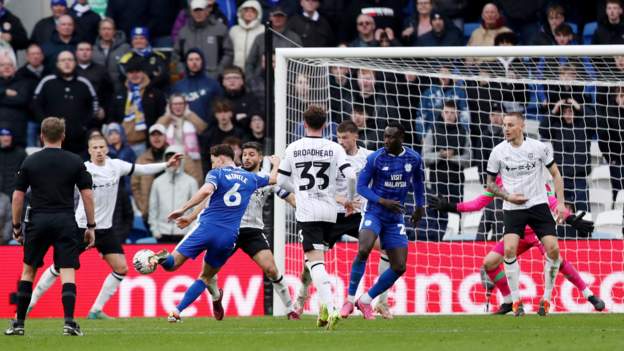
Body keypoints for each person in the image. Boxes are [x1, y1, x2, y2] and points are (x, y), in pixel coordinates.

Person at [26, 134, 182, 320]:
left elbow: (142, 169)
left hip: (105, 230)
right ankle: (30, 304)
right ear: (90, 150)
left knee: (121, 268)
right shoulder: (82, 168)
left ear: (107, 148)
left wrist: (166, 165)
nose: (99, 151)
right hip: (82, 228)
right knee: (59, 267)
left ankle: (96, 310)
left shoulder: (116, 166)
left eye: (102, 147)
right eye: (95, 148)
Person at [430, 176, 605, 314]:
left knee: (556, 259)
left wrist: (570, 218)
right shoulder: (499, 180)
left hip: (538, 230)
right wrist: (451, 206)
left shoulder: (534, 177)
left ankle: (588, 294)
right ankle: (508, 301)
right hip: (516, 231)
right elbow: (479, 203)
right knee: (489, 263)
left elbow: (552, 202)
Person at [145, 144, 279, 322]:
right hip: (228, 237)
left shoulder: (217, 174)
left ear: (221, 159)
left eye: (213, 161)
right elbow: (273, 179)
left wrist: (183, 209)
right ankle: (177, 311)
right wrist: (276, 164)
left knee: (172, 264)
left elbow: (207, 191)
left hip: (206, 228)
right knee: (206, 277)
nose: (213, 164)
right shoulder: (250, 178)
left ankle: (159, 257)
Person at [5, 117, 94, 336]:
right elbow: (87, 195)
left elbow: (17, 198)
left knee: (28, 271)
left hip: (37, 220)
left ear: (42, 136)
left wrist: (16, 227)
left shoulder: (30, 161)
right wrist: (91, 226)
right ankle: (69, 324)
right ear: (63, 136)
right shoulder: (75, 161)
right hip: (65, 219)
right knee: (67, 271)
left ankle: (19, 324)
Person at [276, 105, 357, 330]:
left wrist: (300, 190)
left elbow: (281, 182)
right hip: (330, 211)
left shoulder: (294, 147)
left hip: (308, 211)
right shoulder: (334, 147)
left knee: (315, 262)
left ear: (304, 124)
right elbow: (351, 175)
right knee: (314, 261)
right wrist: (349, 200)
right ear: (325, 125)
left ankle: (331, 307)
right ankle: (323, 306)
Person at [340, 122, 425, 320]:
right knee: (364, 248)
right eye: (385, 136)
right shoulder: (375, 158)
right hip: (374, 212)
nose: (386, 140)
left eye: (391, 137)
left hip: (395, 218)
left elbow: (419, 183)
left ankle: (367, 300)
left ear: (401, 138)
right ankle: (350, 300)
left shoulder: (413, 158)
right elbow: (361, 187)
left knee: (399, 266)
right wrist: (382, 201)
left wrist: (420, 207)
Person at [485, 111, 566, 317]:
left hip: (538, 206)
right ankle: (516, 301)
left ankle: (546, 299)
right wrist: (508, 197)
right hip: (513, 208)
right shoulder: (498, 152)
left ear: (521, 126)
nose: (506, 129)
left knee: (553, 250)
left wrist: (561, 204)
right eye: (504, 125)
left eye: (510, 125)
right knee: (509, 250)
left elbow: (556, 174)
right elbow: (490, 184)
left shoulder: (538, 148)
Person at [32, 51, 99, 154]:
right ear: (57, 64)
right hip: (52, 139)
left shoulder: (84, 83)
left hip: (79, 140)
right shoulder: (47, 82)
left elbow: (94, 104)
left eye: (70, 60)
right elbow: (35, 104)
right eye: (63, 60)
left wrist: (84, 126)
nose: (66, 63)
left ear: (75, 63)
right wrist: (46, 126)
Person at [108, 54, 167, 156]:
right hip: (122, 145)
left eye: (138, 71)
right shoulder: (119, 93)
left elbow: (162, 116)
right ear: (126, 74)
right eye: (131, 72)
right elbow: (111, 119)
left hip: (145, 143)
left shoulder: (155, 93)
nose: (134, 75)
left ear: (143, 73)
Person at [148, 145, 198, 243]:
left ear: (182, 161)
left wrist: (191, 230)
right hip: (162, 233)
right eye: (170, 158)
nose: (174, 162)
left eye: (177, 158)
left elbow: (195, 209)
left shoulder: (191, 182)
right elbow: (153, 208)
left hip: (184, 232)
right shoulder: (157, 182)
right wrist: (155, 230)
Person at [155, 93, 207, 185]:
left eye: (180, 104)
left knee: (195, 185)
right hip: (172, 159)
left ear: (185, 105)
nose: (178, 107)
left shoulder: (190, 118)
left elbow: (203, 128)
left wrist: (189, 114)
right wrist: (167, 115)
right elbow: (157, 128)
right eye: (175, 104)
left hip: (192, 160)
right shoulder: (167, 120)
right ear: (170, 106)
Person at [174, 0, 233, 79]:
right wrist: (184, 73)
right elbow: (176, 56)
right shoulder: (183, 32)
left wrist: (218, 72)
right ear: (191, 12)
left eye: (201, 10)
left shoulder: (220, 29)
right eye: (195, 11)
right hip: (189, 79)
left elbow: (228, 53)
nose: (198, 14)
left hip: (214, 78)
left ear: (207, 11)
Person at [245, 6, 302, 79]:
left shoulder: (294, 38)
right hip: (262, 81)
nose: (278, 19)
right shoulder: (260, 38)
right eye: (275, 16)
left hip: (287, 80)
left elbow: (300, 62)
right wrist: (251, 81)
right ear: (270, 17)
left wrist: (293, 80)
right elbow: (250, 63)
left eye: (281, 16)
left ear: (285, 18)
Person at [171, 49, 223, 123]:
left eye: (197, 59)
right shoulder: (178, 86)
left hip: (208, 129)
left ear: (202, 61)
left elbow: (220, 108)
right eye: (191, 60)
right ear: (186, 63)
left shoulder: (213, 84)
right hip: (184, 129)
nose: (194, 62)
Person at [199, 99, 247, 172]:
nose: (223, 115)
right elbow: (205, 159)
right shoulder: (209, 135)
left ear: (231, 113)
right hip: (216, 175)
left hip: (238, 174)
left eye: (226, 111)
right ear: (215, 115)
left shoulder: (241, 134)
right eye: (219, 112)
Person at [75, 41, 113, 122]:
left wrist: (104, 108)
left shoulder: (101, 70)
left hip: (96, 114)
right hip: (76, 112)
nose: (84, 52)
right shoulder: (71, 70)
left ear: (92, 52)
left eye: (88, 50)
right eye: (81, 50)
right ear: (76, 53)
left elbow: (109, 93)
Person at [0, 55, 32, 148]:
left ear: (15, 69)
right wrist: (5, 92)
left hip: (18, 130)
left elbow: (22, 100)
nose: (6, 67)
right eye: (2, 65)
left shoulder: (24, 83)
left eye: (10, 65)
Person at [91, 18, 131, 92]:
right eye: (104, 29)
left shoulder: (125, 48)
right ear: (99, 31)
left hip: (120, 89)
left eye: (109, 29)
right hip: (99, 90)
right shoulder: (93, 49)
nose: (106, 32)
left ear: (114, 31)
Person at [221, 65, 263, 131]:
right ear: (223, 82)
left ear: (242, 81)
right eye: (228, 78)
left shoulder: (251, 99)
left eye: (236, 78)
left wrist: (230, 118)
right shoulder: (218, 100)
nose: (232, 81)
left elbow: (253, 120)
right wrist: (236, 117)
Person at [229, 1, 264, 70]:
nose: (249, 13)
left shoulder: (263, 30)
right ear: (241, 12)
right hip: (236, 69)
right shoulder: (234, 30)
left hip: (255, 70)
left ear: (258, 13)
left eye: (252, 11)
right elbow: (229, 51)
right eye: (246, 11)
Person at [0, 127, 26, 197]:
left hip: (15, 195)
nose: (6, 138)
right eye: (2, 135)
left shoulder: (21, 154)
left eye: (8, 135)